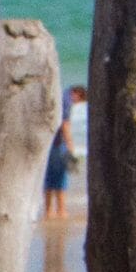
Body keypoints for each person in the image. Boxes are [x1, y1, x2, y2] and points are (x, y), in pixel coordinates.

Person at [42, 82, 93, 220]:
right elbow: (64, 124)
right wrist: (71, 145)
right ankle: (61, 211)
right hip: (59, 143)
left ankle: (48, 211)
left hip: (49, 142)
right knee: (60, 177)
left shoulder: (60, 96)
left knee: (49, 177)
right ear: (77, 94)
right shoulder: (67, 100)